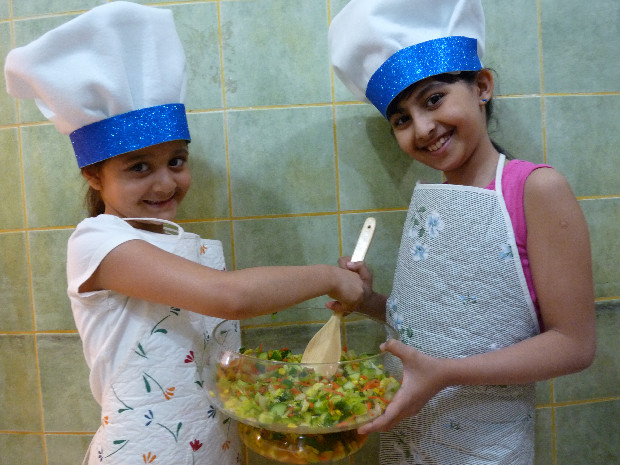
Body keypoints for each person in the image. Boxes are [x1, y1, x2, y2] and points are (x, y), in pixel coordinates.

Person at [4, 3, 363, 464]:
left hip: (210, 447)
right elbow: (228, 297)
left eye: (176, 161)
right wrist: (329, 278)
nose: (165, 183)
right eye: (139, 168)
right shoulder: (98, 243)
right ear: (93, 175)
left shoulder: (174, 241)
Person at [327, 0, 596, 463]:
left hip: (488, 448)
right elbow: (442, 324)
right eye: (401, 119)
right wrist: (368, 302)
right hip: (411, 442)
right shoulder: (432, 201)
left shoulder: (536, 189)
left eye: (433, 99)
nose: (422, 128)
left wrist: (445, 373)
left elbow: (574, 344)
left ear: (482, 86)